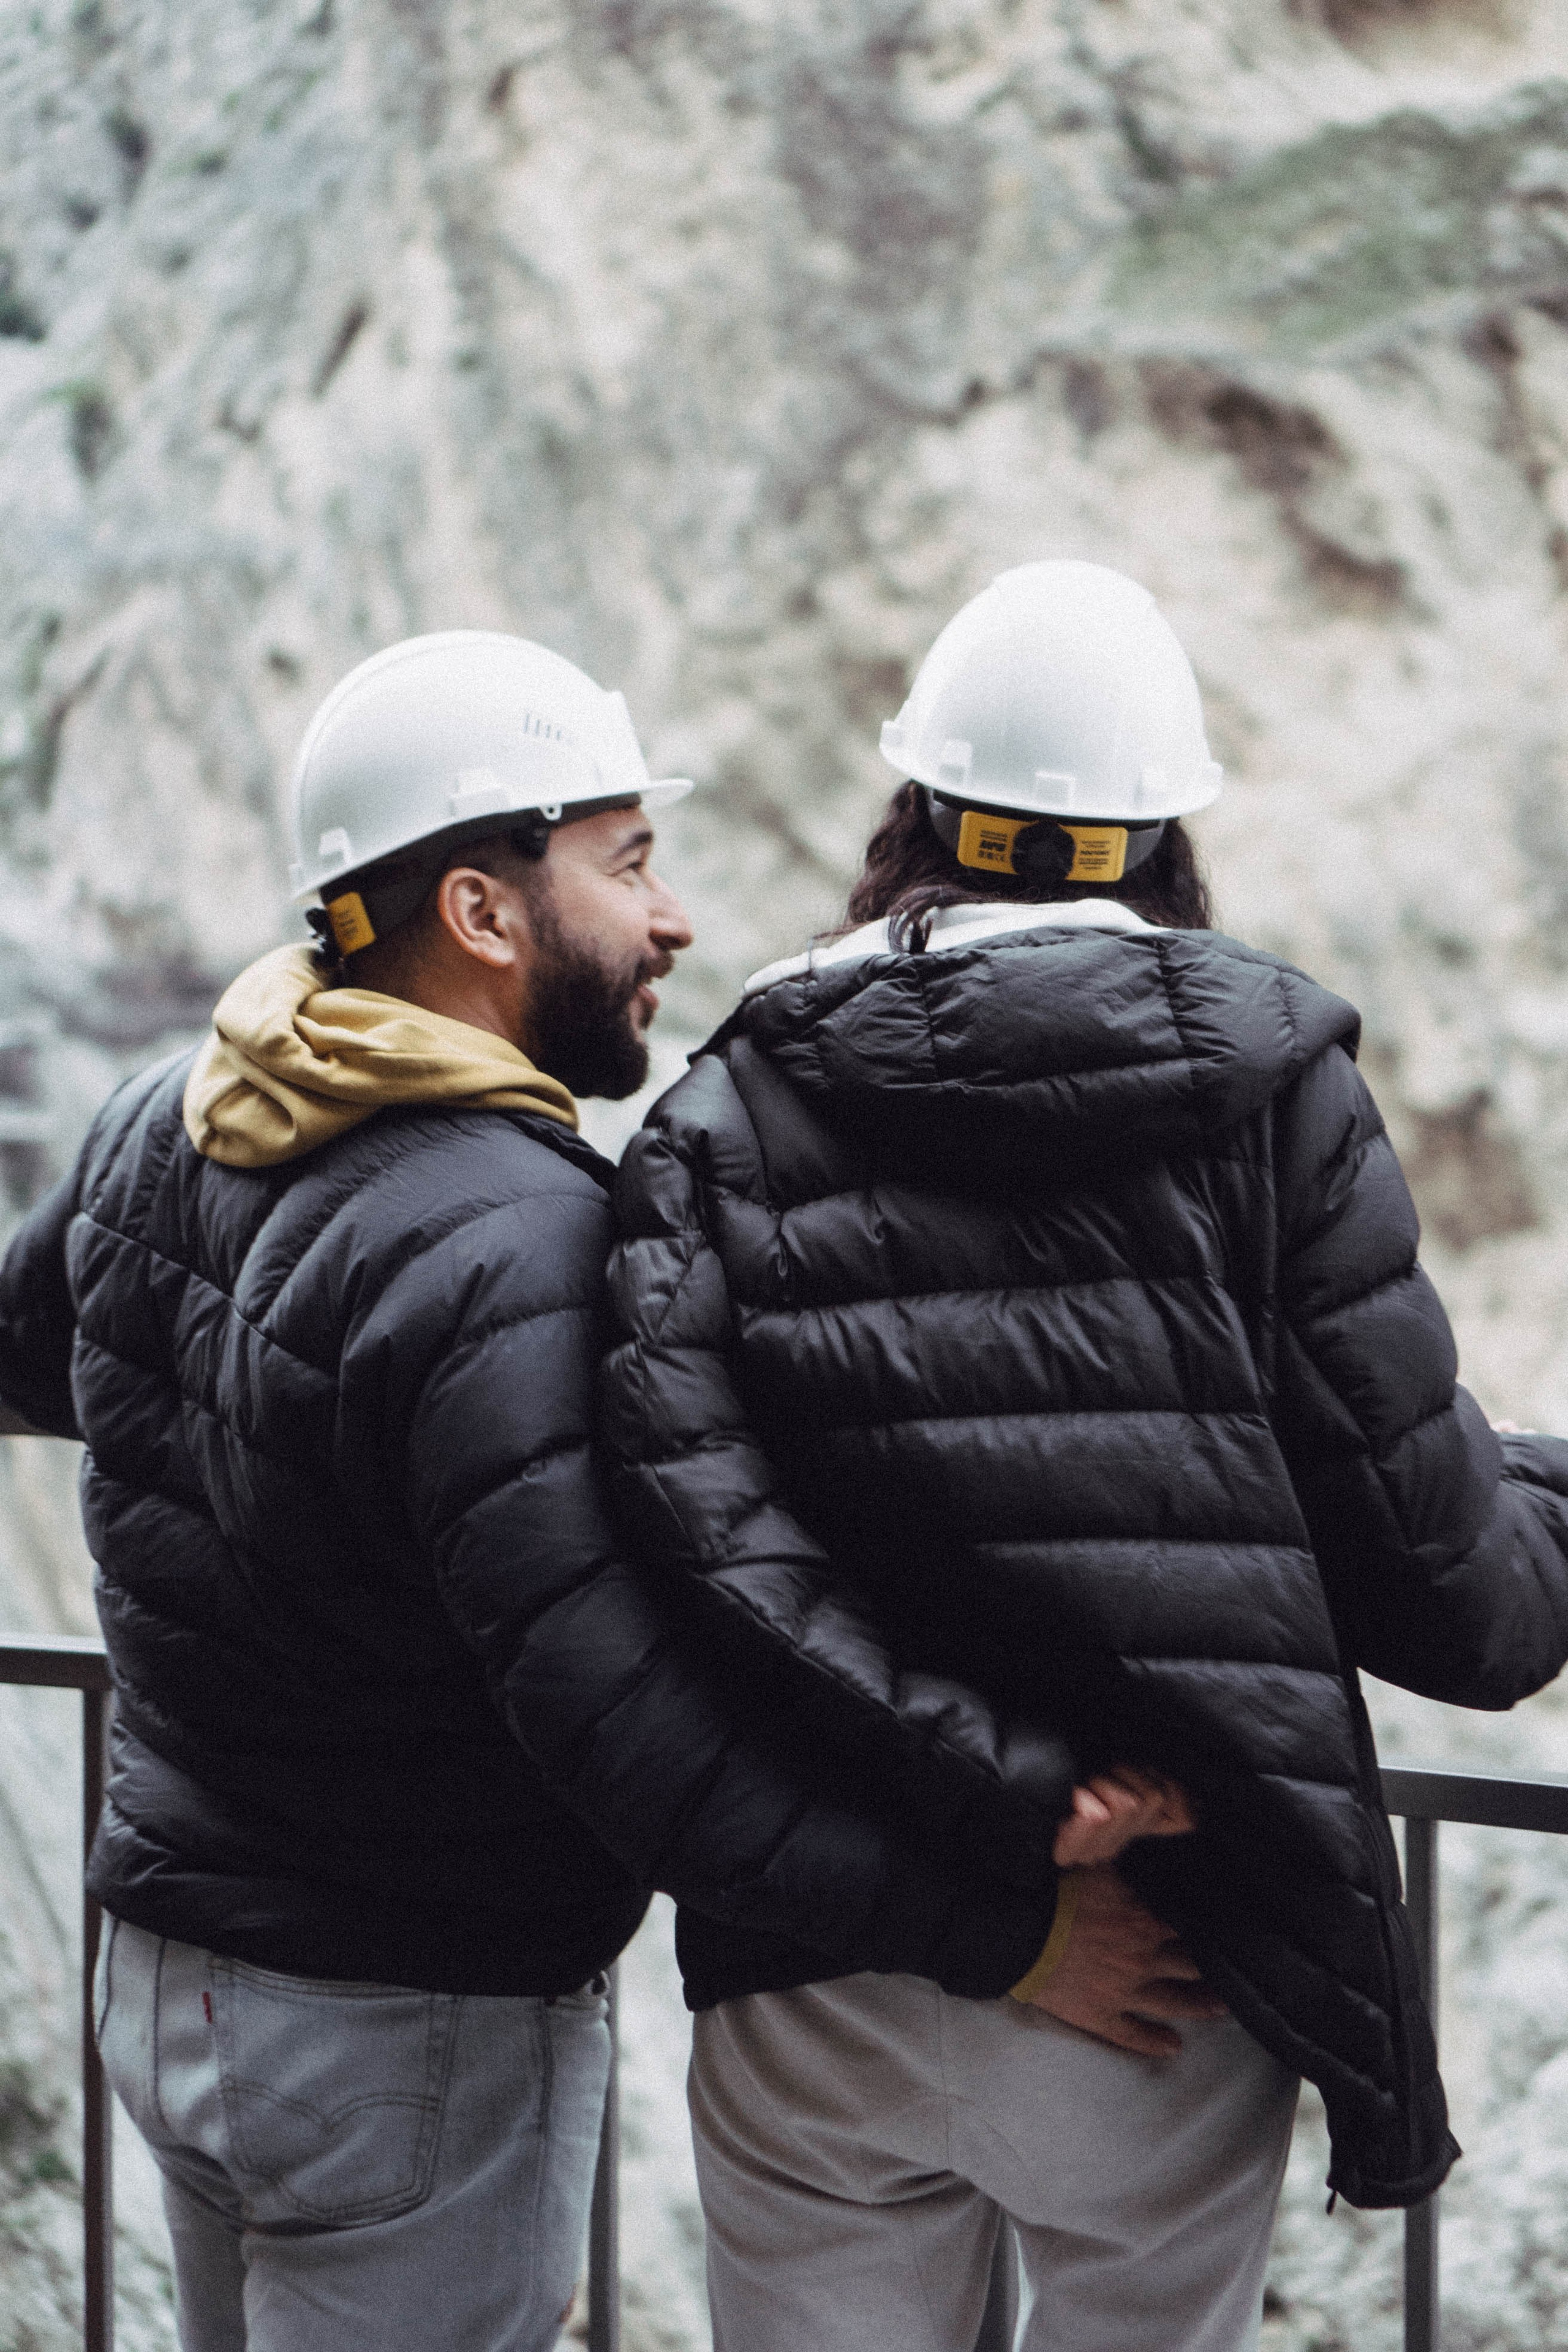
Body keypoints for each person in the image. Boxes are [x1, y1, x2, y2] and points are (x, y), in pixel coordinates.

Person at [0, 629, 1186, 2352]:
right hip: (398, 2031)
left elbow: (50, 1361)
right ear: (482, 913)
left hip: (171, 1979)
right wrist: (1006, 1930)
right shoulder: (520, 1246)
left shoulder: (157, 1121)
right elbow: (636, 1733)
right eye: (630, 864)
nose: (674, 921)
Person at [601, 560, 1568, 2352]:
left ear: (916, 812)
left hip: (818, 1965)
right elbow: (1467, 1614)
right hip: (1171, 1948)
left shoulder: (722, 1118)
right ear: (1159, 841)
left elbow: (691, 1541)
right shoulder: (1278, 1097)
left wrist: (984, 1775)